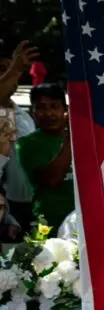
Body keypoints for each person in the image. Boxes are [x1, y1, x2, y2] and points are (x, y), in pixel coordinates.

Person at [15, 83, 74, 234]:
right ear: (32, 111)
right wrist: (71, 139)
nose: (49, 113)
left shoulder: (86, 139)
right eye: (41, 107)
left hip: (83, 219)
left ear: (65, 110)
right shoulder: (27, 144)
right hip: (50, 224)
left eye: (54, 106)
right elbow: (52, 179)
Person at [0, 41, 39, 234]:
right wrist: (15, 68)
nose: (8, 77)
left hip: (35, 207)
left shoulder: (22, 115)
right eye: (2, 71)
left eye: (10, 70)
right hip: (10, 210)